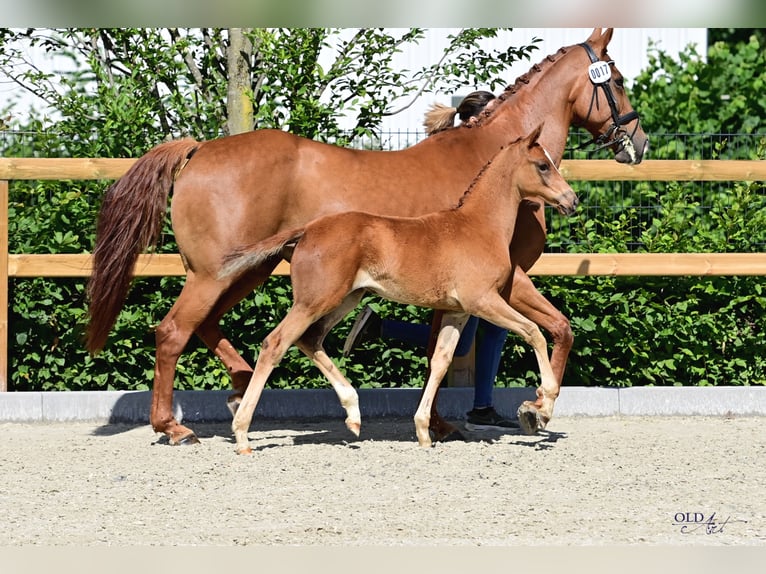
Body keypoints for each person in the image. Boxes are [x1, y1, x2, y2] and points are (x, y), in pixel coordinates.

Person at [343, 90, 517, 432]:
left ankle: (478, 404)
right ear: (474, 122)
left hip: (452, 261)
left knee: (478, 335)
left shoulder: (466, 154)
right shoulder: (463, 158)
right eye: (490, 119)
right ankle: (476, 406)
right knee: (470, 336)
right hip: (446, 262)